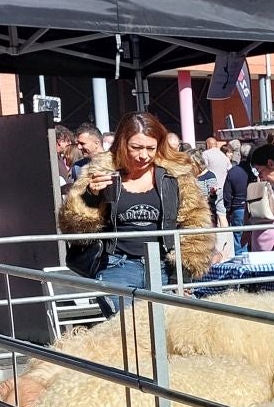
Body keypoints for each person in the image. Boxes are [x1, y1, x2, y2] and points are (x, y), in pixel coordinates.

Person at [59, 111, 214, 313]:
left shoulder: (176, 175)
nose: (144, 155)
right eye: (136, 147)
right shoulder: (101, 171)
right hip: (117, 266)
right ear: (123, 144)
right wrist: (91, 195)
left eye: (151, 148)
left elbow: (196, 224)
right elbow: (73, 226)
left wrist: (182, 276)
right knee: (127, 335)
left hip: (164, 267)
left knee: (165, 336)